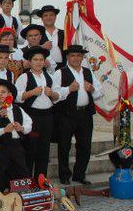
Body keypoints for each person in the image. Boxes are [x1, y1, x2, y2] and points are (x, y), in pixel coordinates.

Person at [54, 45, 104, 185]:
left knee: (85, 146)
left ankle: (79, 175)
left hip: (85, 114)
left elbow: (100, 92)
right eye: (72, 55)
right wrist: (69, 89)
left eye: (78, 55)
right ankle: (64, 175)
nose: (76, 58)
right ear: (68, 57)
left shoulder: (88, 72)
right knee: (64, 146)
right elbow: (54, 95)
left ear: (82, 57)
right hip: (66, 115)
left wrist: (92, 89)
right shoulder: (60, 73)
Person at [15, 46, 66, 178]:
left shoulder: (50, 77)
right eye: (35, 59)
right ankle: (27, 180)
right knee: (30, 149)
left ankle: (41, 181)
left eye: (41, 59)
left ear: (44, 62)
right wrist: (32, 92)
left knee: (44, 150)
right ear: (30, 62)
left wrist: (52, 93)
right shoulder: (24, 77)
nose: (38, 62)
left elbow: (58, 96)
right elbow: (17, 97)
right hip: (32, 118)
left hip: (47, 118)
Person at [0, 80, 32, 189]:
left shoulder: (17, 109)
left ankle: (22, 196)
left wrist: (21, 128)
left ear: (9, 94)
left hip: (17, 146)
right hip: (1, 148)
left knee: (22, 171)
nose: (0, 95)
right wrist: (4, 130)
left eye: (3, 92)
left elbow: (29, 123)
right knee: (0, 174)